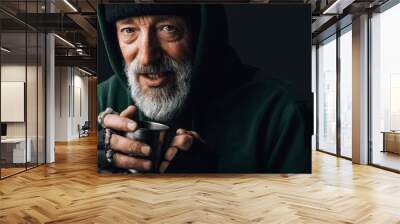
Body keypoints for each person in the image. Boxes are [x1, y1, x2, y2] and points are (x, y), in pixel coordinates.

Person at [97, 4, 311, 173]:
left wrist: (211, 184)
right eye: (128, 30)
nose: (146, 56)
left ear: (203, 34)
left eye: (168, 29)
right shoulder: (102, 98)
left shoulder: (278, 111)